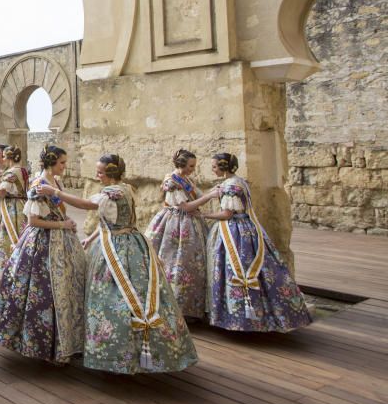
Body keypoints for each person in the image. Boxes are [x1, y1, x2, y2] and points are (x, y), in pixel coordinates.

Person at [63, 154, 198, 374]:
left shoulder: (112, 192)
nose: (97, 175)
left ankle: (124, 355)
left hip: (117, 248)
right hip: (128, 241)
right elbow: (110, 218)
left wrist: (56, 193)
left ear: (111, 173)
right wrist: (94, 236)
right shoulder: (126, 188)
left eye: (100, 172)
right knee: (135, 291)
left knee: (118, 295)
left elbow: (86, 204)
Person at [0, 145, 86, 363]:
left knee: (65, 291)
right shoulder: (39, 184)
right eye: (62, 163)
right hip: (43, 243)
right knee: (42, 292)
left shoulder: (55, 182)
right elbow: (33, 221)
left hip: (62, 242)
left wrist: (66, 225)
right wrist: (64, 226)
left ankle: (65, 343)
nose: (65, 166)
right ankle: (44, 346)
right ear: (51, 163)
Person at [202, 153, 312, 332]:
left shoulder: (231, 187)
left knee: (235, 267)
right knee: (261, 269)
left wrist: (205, 215)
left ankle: (241, 318)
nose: (212, 169)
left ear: (223, 167)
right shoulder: (240, 181)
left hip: (233, 231)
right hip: (248, 229)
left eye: (214, 166)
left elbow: (227, 214)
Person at [144, 150, 215, 318]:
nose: (193, 169)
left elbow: (195, 197)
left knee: (190, 265)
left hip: (191, 223)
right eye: (191, 166)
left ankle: (189, 308)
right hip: (175, 224)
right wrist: (211, 196)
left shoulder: (186, 179)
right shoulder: (172, 182)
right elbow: (185, 207)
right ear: (181, 164)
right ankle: (172, 308)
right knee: (174, 263)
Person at [0, 146, 31, 291]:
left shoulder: (11, 172)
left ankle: (4, 282)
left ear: (9, 158)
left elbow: (2, 193)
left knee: (4, 242)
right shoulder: (23, 170)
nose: (2, 159)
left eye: (4, 156)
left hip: (10, 210)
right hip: (22, 206)